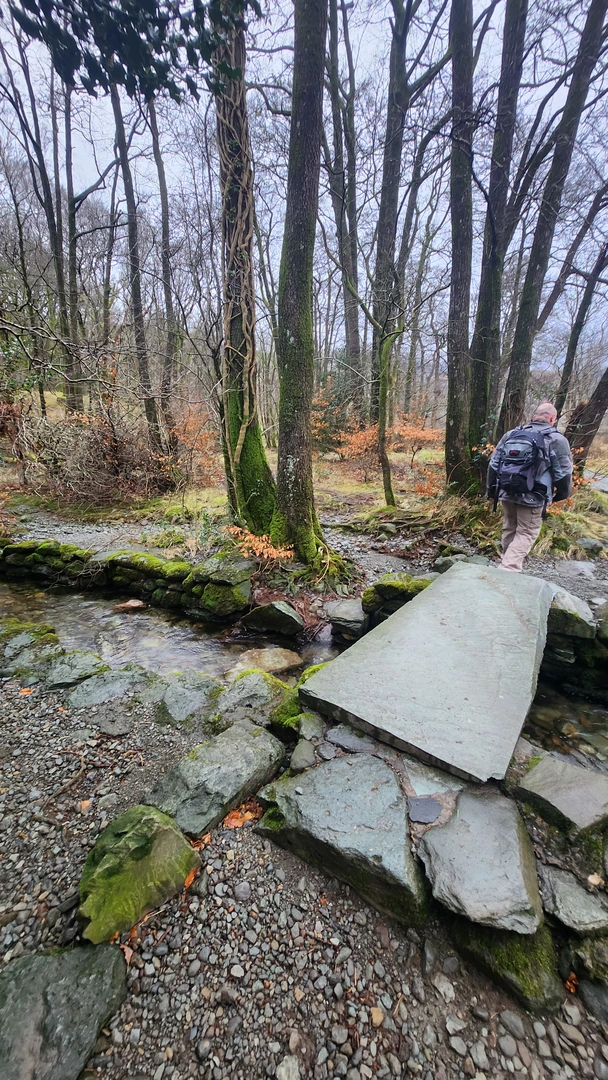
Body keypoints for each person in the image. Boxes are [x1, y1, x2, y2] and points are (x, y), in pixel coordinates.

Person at [487, 402, 573, 572]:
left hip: (506, 490)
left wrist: (491, 490)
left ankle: (506, 562)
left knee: (510, 526)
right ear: (552, 419)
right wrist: (562, 494)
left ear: (534, 416)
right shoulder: (556, 439)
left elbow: (493, 464)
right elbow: (564, 473)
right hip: (534, 494)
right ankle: (508, 569)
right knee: (526, 532)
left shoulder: (512, 434)